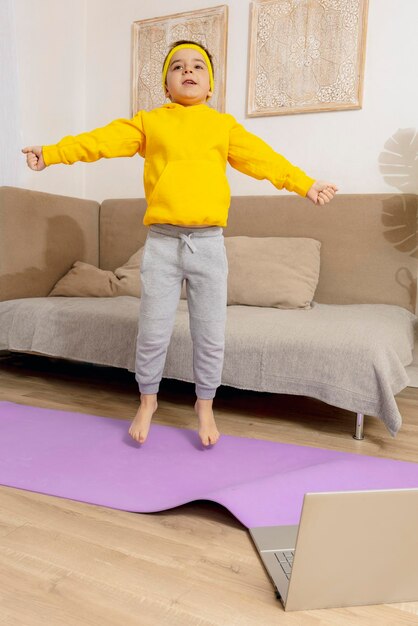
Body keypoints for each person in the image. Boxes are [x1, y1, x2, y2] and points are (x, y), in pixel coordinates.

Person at [22, 40, 338, 447]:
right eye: (177, 67)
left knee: (210, 333)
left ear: (210, 86)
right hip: (162, 244)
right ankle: (147, 400)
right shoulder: (150, 122)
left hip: (208, 245)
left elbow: (265, 161)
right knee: (153, 331)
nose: (187, 71)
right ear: (167, 85)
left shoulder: (223, 127)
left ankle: (204, 406)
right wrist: (51, 153)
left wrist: (306, 185)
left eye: (197, 67)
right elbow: (100, 141)